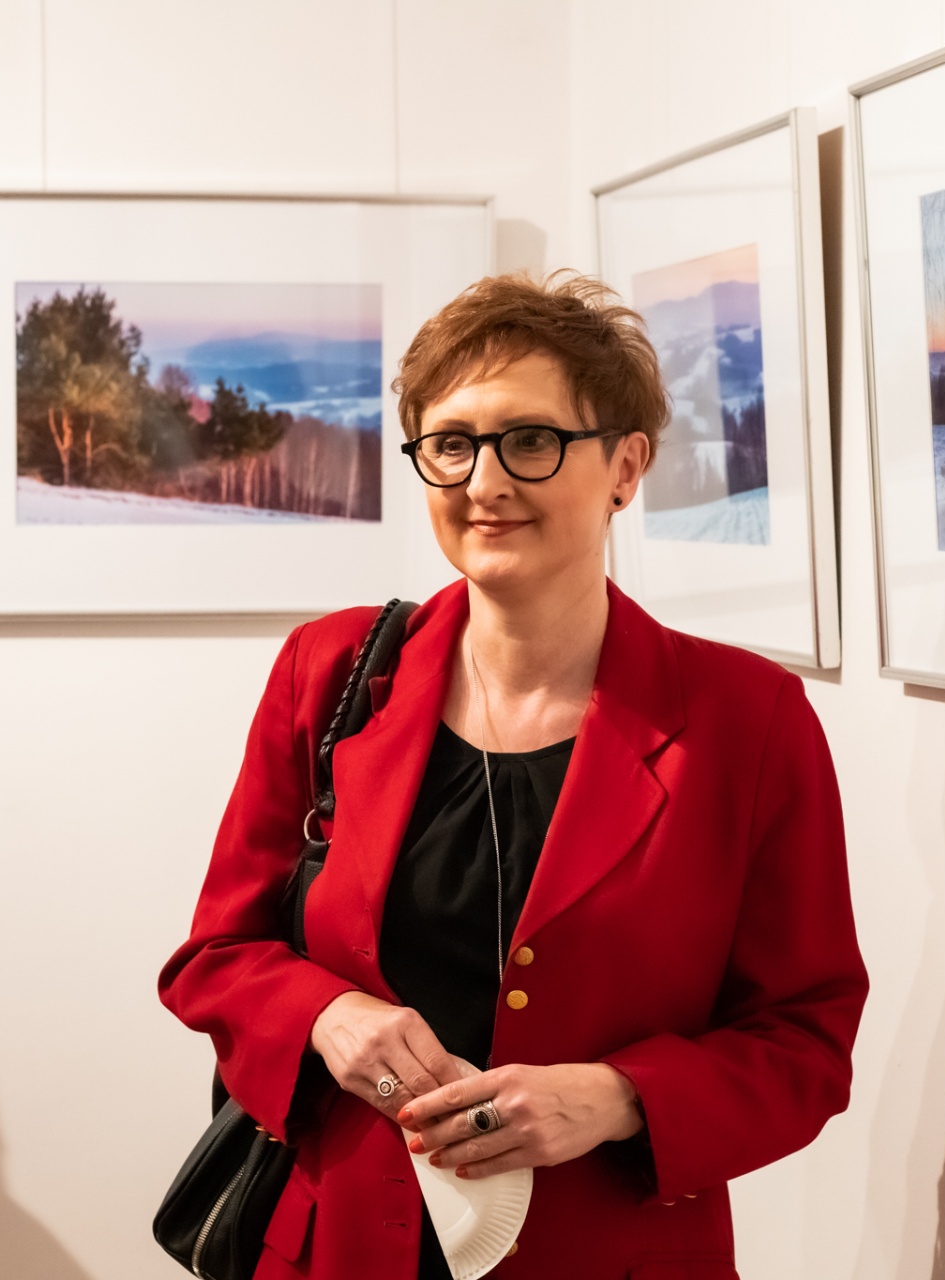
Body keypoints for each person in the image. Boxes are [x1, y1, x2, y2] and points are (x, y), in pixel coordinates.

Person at [159, 273, 867, 1280]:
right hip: (339, 1246)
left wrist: (619, 1097)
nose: (483, 482)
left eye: (530, 440)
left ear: (626, 466)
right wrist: (326, 1015)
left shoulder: (746, 720)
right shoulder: (332, 672)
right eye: (451, 443)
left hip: (611, 1254)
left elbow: (805, 1039)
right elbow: (216, 955)